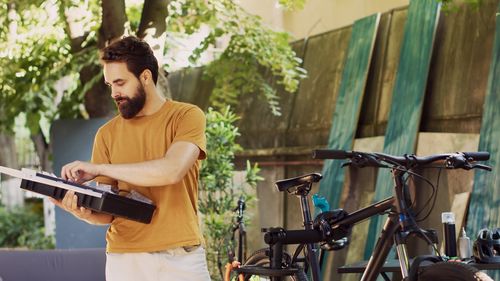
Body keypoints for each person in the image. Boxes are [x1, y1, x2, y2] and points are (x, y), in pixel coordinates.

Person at [50, 36, 211, 281]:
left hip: (180, 257)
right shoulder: (106, 134)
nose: (114, 92)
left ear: (145, 77)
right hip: (125, 261)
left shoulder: (186, 116)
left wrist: (101, 168)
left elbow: (172, 170)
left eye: (120, 82)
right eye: (109, 84)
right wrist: (80, 211)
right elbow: (107, 213)